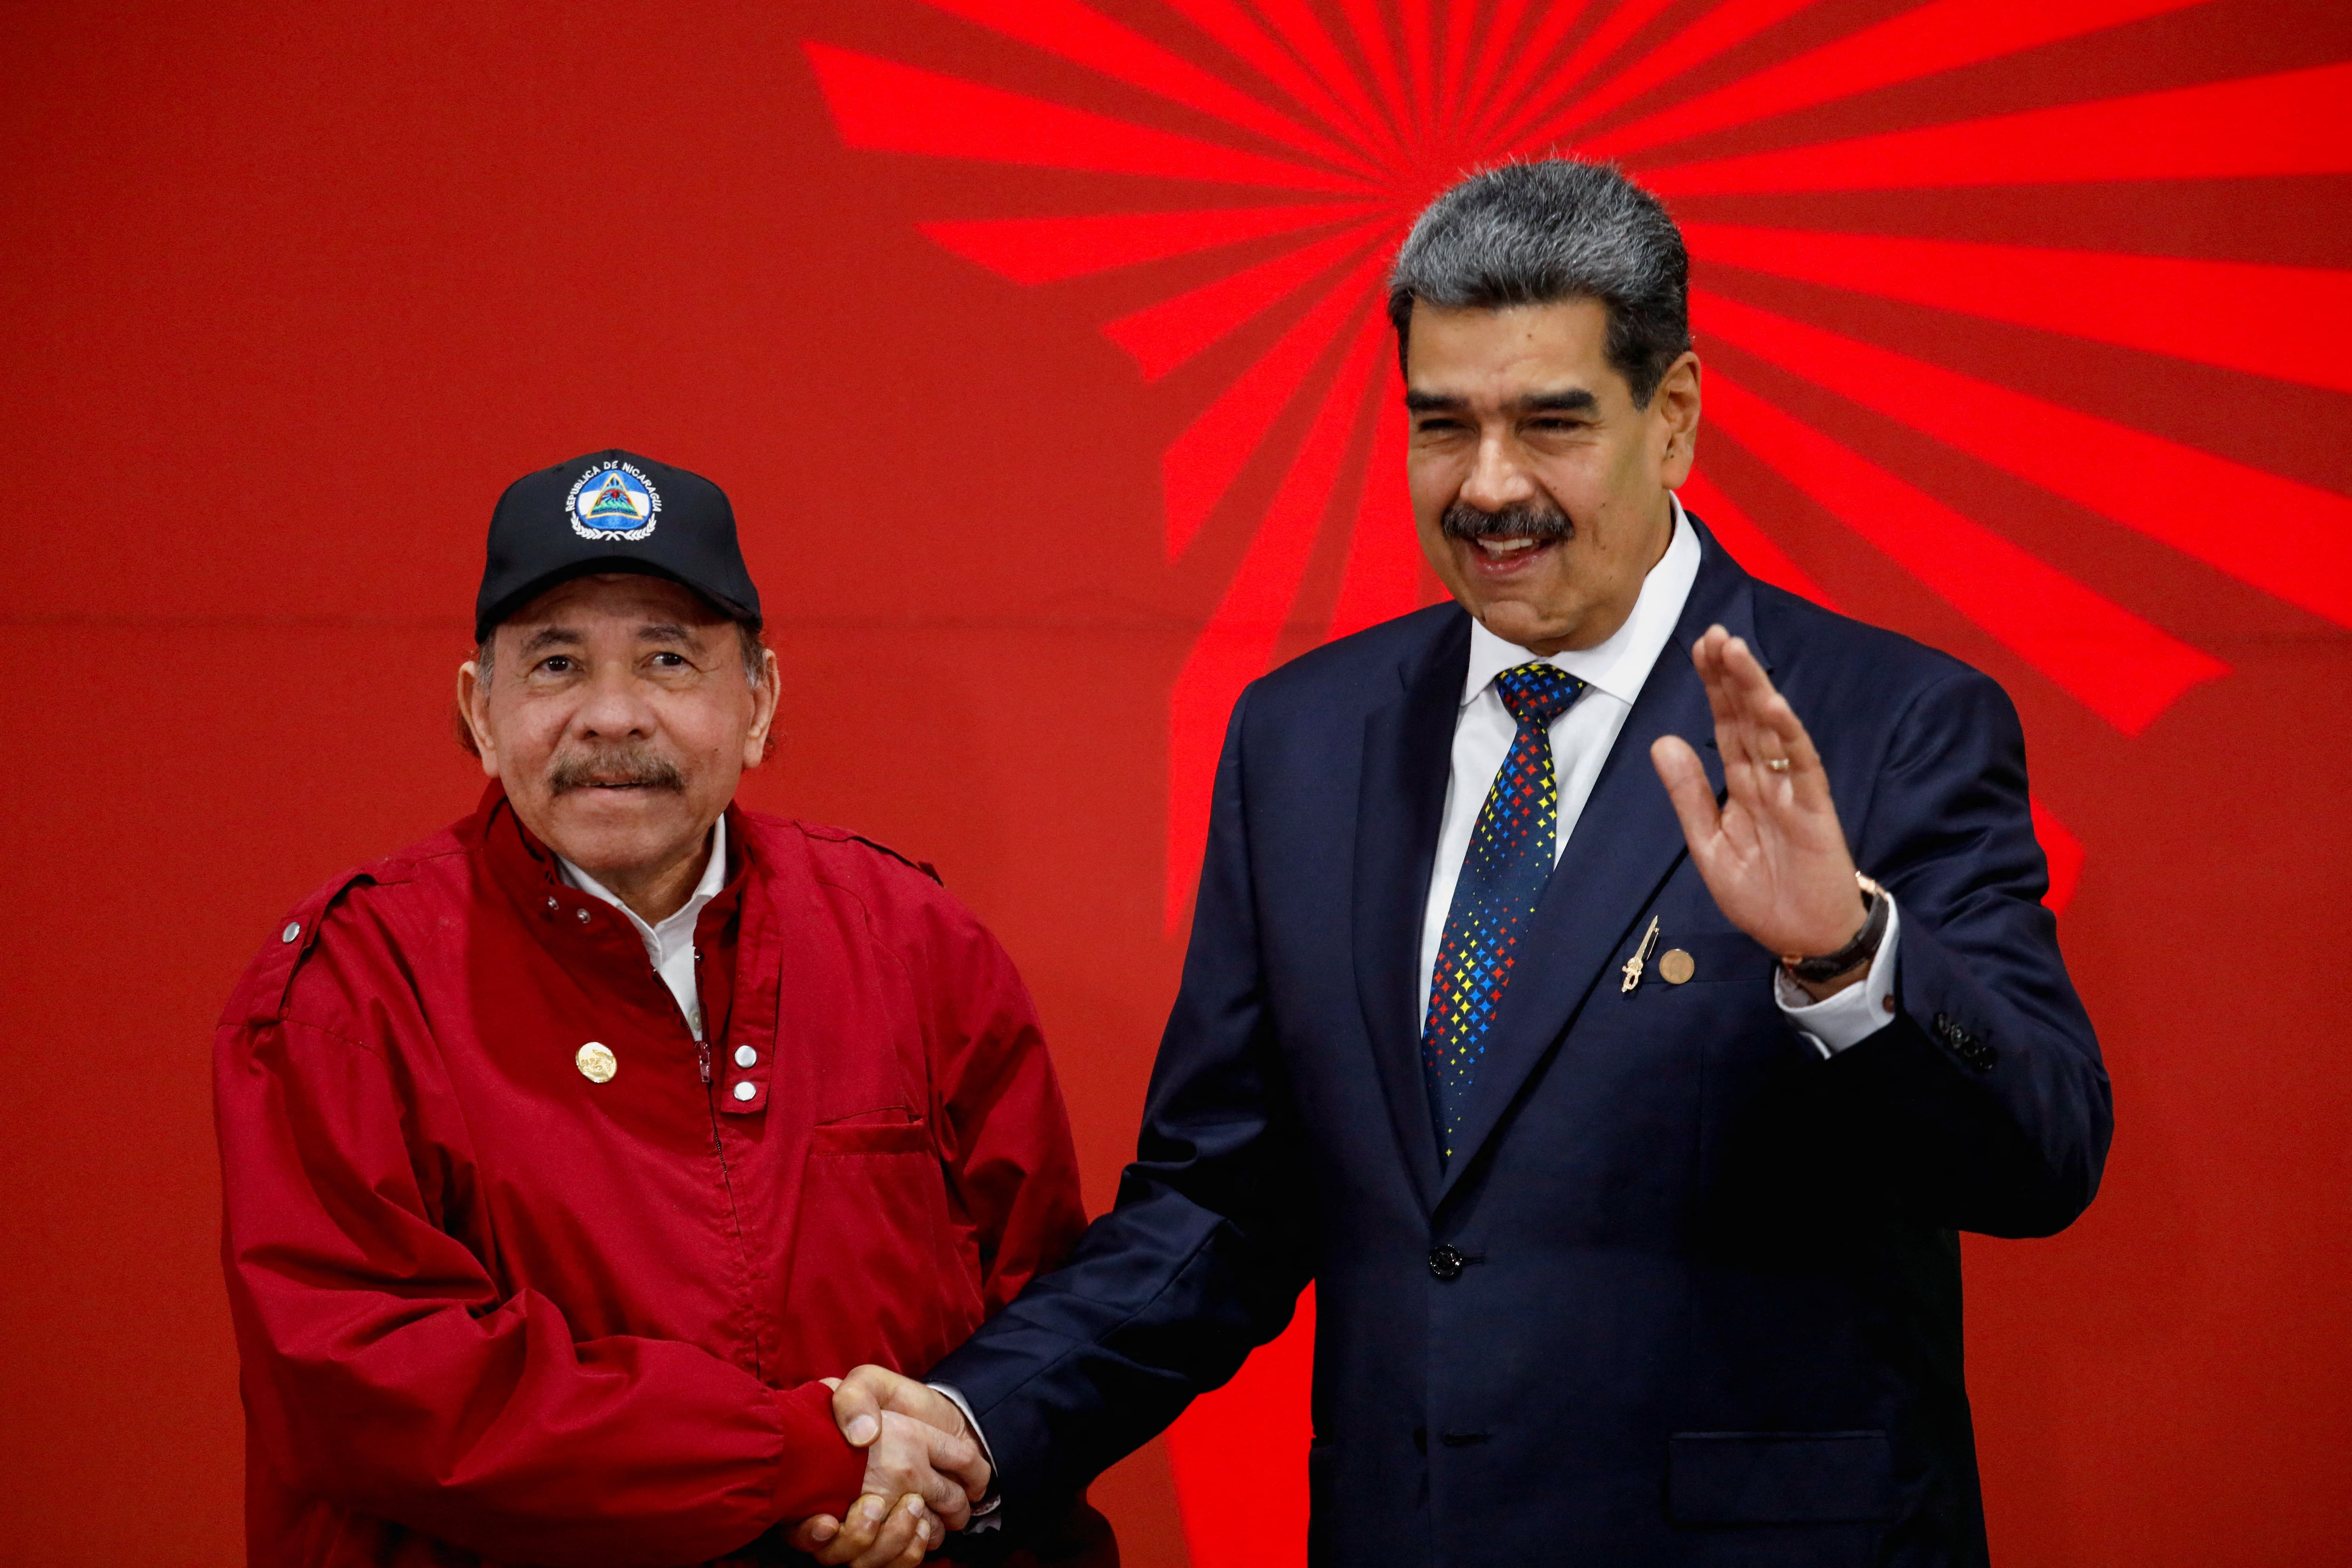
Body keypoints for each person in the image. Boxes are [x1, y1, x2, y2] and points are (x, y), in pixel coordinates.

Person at [835, 161, 2114, 1564]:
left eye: (1550, 423)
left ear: (1672, 416)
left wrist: (1847, 957)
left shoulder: (1887, 721)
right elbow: (1223, 1201)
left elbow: (2042, 1156)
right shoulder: (1304, 737)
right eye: (1442, 425)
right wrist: (977, 1418)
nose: (1489, 485)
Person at [215, 450, 1095, 1568]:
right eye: (556, 664)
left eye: (668, 659)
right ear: (479, 711)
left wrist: (945, 1463)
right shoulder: (350, 985)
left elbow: (1041, 1320)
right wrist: (798, 1454)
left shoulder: (916, 943)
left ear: (759, 702)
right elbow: (365, 1377)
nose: (611, 714)